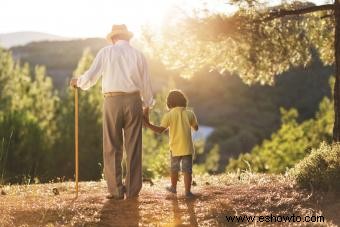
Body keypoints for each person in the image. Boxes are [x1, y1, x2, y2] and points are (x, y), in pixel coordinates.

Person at [70, 24, 154, 200]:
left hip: (112, 101)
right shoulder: (139, 55)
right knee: (134, 147)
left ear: (114, 38)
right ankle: (132, 191)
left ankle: (116, 191)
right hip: (134, 101)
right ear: (128, 37)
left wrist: (79, 82)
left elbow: (91, 77)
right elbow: (146, 86)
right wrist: (147, 108)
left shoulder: (106, 52)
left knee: (112, 146)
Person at [144, 90, 198, 198]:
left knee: (174, 169)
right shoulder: (190, 113)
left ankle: (173, 188)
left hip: (175, 147)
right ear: (183, 101)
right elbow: (196, 128)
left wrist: (148, 125)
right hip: (187, 147)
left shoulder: (169, 115)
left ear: (170, 103)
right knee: (187, 170)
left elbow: (160, 130)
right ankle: (188, 192)